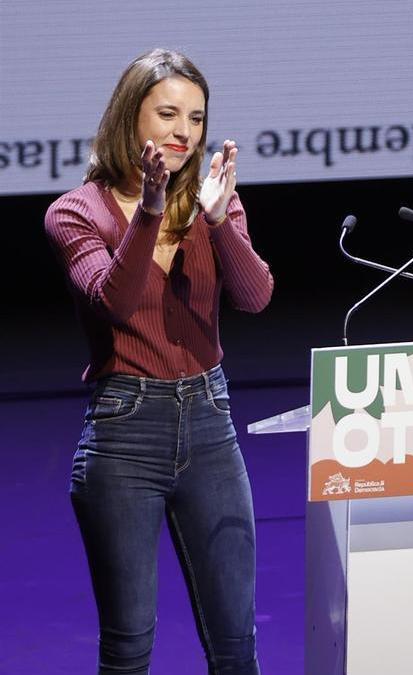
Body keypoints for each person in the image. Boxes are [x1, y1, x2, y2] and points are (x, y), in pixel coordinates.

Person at [43, 48, 272, 674]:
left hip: (210, 424)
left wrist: (221, 219)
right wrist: (147, 211)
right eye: (168, 114)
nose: (183, 132)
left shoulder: (212, 201)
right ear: (129, 118)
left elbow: (255, 297)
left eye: (195, 119)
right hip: (124, 433)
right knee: (129, 645)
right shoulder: (75, 212)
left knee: (235, 642)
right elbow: (115, 302)